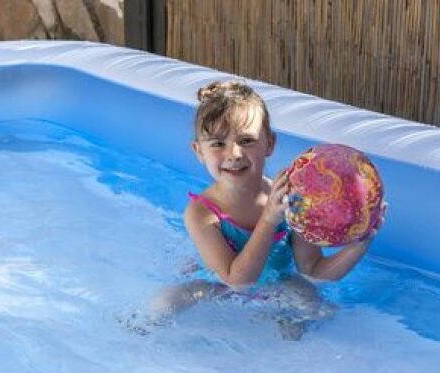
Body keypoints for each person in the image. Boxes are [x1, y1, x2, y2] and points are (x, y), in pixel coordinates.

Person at [152, 81, 385, 339]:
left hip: (277, 282)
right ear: (199, 151)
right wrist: (269, 218)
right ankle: (141, 330)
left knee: (315, 306)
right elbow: (236, 281)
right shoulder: (201, 214)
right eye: (217, 144)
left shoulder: (292, 198)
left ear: (269, 144)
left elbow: (315, 271)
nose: (234, 153)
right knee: (168, 300)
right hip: (216, 284)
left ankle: (289, 351)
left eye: (246, 140)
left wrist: (361, 242)